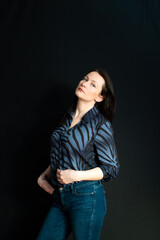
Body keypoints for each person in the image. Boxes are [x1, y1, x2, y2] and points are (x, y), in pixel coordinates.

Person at [37, 68, 120, 240]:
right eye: (85, 78)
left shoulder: (100, 124)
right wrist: (44, 176)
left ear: (99, 97)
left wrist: (74, 175)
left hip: (86, 198)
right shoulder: (66, 118)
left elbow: (111, 168)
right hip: (61, 197)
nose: (84, 83)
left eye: (92, 84)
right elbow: (65, 153)